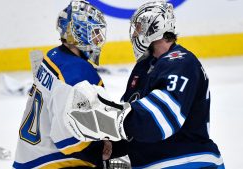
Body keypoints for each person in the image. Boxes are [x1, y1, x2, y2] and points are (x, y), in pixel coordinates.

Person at [64, 1, 225, 168]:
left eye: (139, 27)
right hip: (155, 162)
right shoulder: (144, 67)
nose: (135, 34)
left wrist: (108, 120)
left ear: (155, 28)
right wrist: (112, 144)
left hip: (189, 161)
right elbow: (132, 124)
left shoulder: (181, 63)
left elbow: (160, 119)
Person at [12, 0, 108, 168]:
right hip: (53, 163)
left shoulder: (53, 56)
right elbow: (67, 140)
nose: (99, 38)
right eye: (94, 32)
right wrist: (103, 148)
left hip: (29, 158)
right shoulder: (77, 73)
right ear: (78, 33)